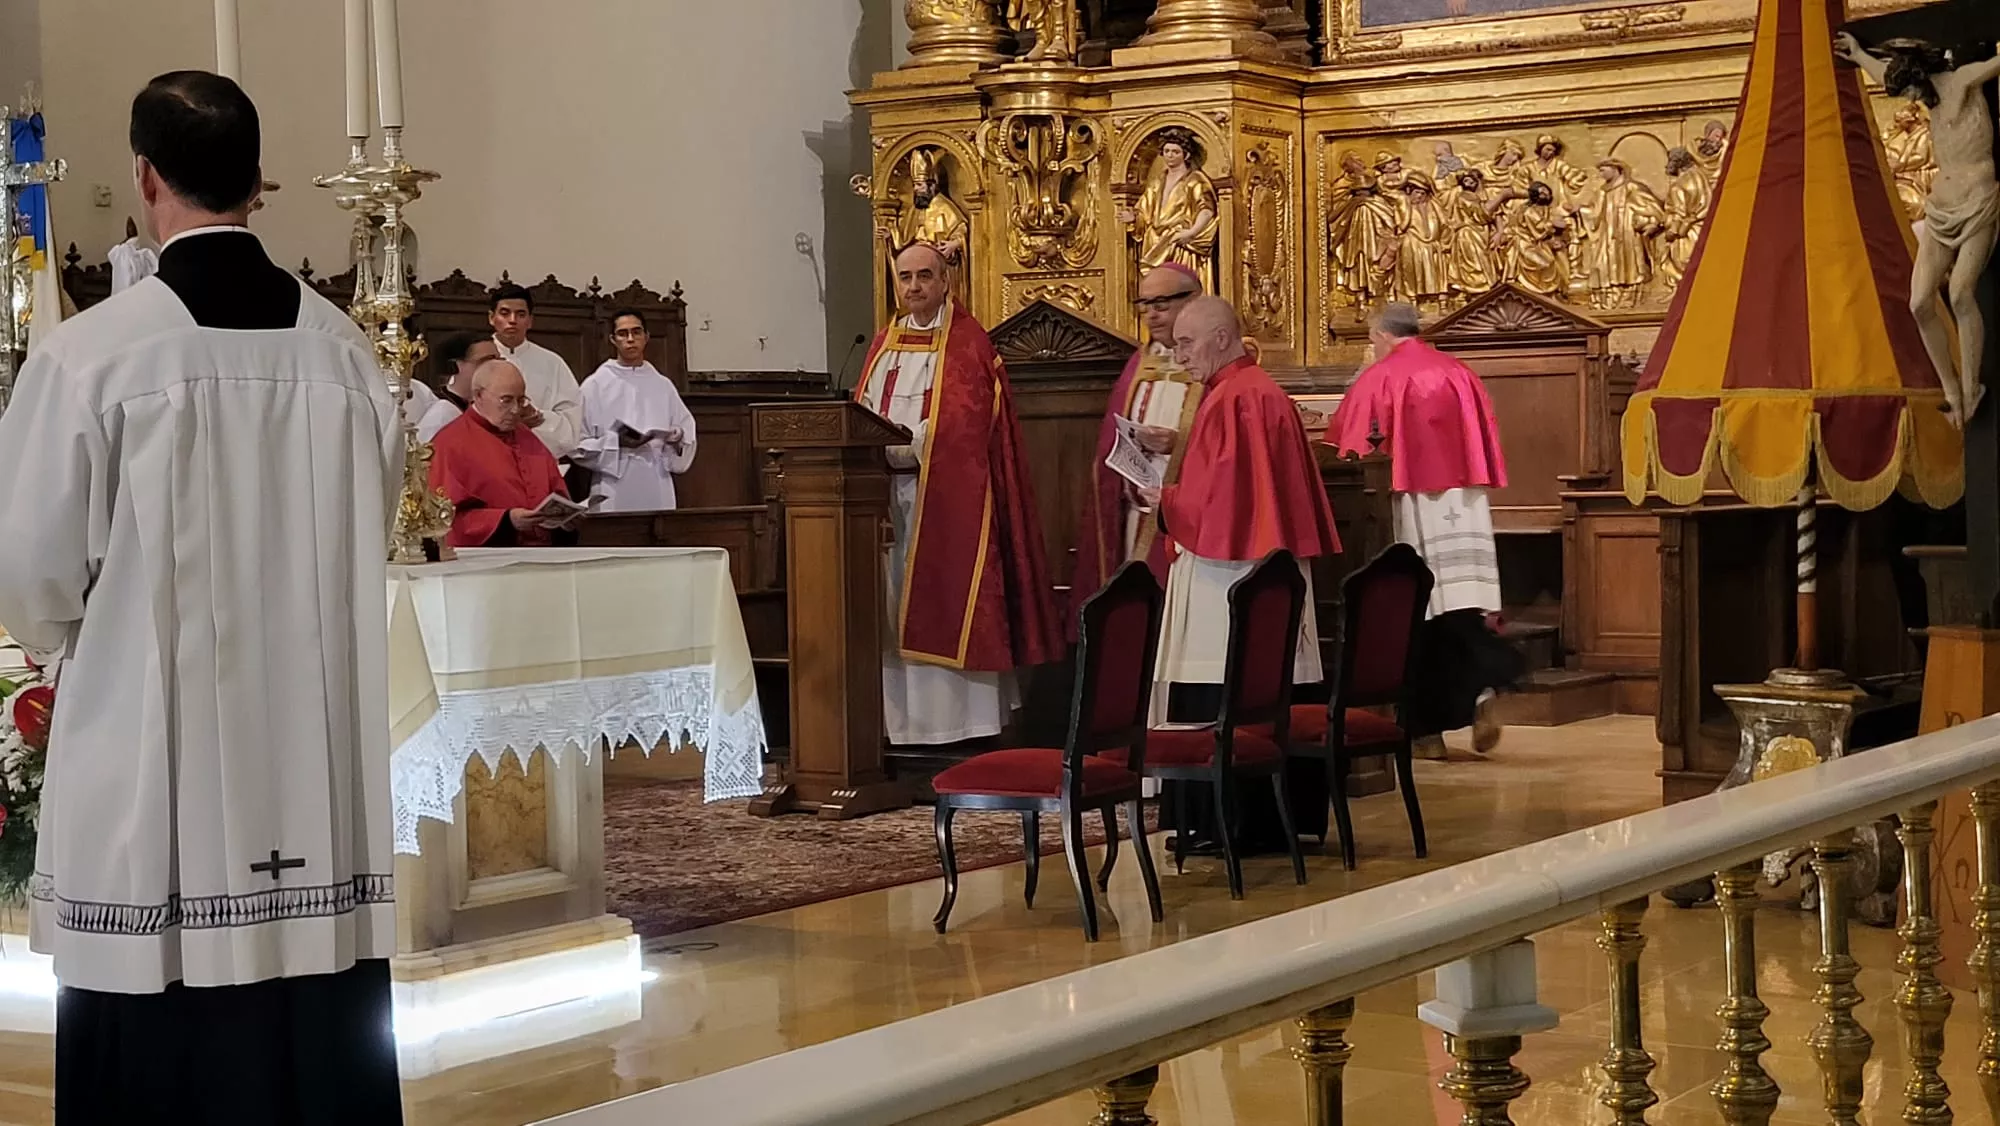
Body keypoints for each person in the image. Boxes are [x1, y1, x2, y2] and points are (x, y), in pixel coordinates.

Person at [0, 71, 404, 1123]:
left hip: (154, 761)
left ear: (144, 177)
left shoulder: (92, 354)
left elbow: (31, 568)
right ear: (257, 184)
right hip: (314, 763)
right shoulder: (346, 353)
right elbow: (373, 526)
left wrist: (73, 648)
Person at [1135, 296, 1342, 851]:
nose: (1178, 356)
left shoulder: (1233, 398)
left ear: (1222, 338)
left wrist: (1165, 501)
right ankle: (1274, 821)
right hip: (1266, 566)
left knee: (1224, 685)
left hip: (1226, 575)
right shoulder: (1254, 391)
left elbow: (1219, 505)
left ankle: (1230, 822)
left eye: (1185, 343)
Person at [853, 243, 1062, 745]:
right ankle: (903, 729)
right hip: (884, 498)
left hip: (944, 496)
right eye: (905, 277)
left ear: (946, 281)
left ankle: (961, 725)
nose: (914, 287)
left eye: (925, 276)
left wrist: (917, 445)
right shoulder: (883, 344)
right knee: (890, 606)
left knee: (947, 594)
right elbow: (860, 411)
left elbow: (968, 425)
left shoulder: (969, 343)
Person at [1327, 303, 1522, 755]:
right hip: (1461, 500)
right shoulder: (1458, 372)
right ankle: (1475, 697)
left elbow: (1350, 455)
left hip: (1407, 499)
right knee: (1459, 608)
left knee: (1416, 613)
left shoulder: (1378, 377)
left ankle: (1425, 731)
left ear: (1380, 335)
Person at [1838, 31, 2000, 423]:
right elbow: (1886, 74)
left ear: (1923, 76)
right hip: (1941, 207)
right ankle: (1950, 391)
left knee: (1961, 293)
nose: (1909, 101)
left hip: (1978, 201)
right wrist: (1859, 54)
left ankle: (1970, 386)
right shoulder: (1926, 94)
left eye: (1910, 90)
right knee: (1919, 302)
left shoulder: (1961, 82)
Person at [1070, 262, 1203, 619]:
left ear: (1194, 300)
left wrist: (1179, 443)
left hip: (1192, 524)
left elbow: (1231, 444)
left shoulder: (1214, 361)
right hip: (1136, 519)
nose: (1151, 316)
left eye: (1161, 305)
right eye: (1144, 305)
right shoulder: (1139, 364)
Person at [429, 360, 574, 548]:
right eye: (506, 400)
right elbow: (445, 519)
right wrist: (506, 520)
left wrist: (565, 521)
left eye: (520, 400)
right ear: (478, 396)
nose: (515, 410)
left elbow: (556, 493)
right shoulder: (449, 444)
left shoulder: (527, 437)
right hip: (487, 562)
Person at [574, 309, 698, 512]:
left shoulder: (662, 384)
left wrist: (676, 435)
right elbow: (578, 444)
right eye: (623, 334)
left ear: (646, 337)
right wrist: (615, 442)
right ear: (613, 340)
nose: (630, 339)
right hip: (614, 482)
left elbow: (686, 431)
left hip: (656, 479)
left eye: (636, 332)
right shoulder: (595, 385)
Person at [488, 283, 585, 457]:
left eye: (520, 314)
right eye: (504, 313)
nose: (512, 320)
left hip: (536, 458)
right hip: (487, 457)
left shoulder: (552, 363)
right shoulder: (475, 358)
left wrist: (538, 418)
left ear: (530, 321)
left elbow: (573, 426)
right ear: (491, 318)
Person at [416, 331, 499, 443]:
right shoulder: (443, 415)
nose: (497, 368)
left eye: (499, 360)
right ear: (454, 366)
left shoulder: (483, 408)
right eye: (486, 361)